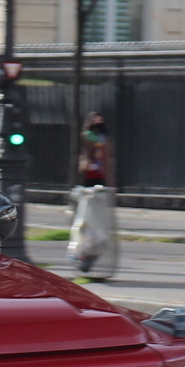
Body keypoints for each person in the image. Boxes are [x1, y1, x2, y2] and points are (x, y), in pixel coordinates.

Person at [69, 114, 116, 278]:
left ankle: (88, 257)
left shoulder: (105, 139)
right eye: (95, 120)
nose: (98, 122)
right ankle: (82, 256)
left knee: (100, 228)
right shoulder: (86, 137)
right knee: (85, 224)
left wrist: (111, 185)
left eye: (100, 120)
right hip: (87, 184)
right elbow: (85, 151)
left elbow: (108, 159)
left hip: (101, 183)